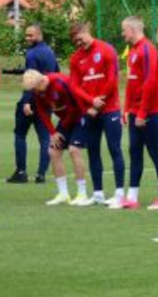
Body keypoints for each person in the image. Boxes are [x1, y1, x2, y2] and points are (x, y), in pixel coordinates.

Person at [113, 16, 158, 210]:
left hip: (150, 112)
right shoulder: (133, 51)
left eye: (124, 30)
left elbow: (151, 83)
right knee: (135, 151)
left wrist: (142, 112)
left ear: (132, 29)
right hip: (135, 111)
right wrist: (127, 109)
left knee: (155, 151)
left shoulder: (148, 50)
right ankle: (132, 197)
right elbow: (131, 84)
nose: (122, 33)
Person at [21, 70, 100, 206]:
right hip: (66, 120)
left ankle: (82, 194)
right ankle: (63, 194)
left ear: (41, 81)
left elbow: (75, 108)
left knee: (74, 150)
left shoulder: (60, 83)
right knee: (53, 151)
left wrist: (61, 127)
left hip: (80, 115)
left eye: (35, 88)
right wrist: (53, 133)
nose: (34, 91)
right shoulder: (38, 91)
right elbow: (42, 112)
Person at [68, 22, 124, 207]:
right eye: (75, 41)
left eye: (80, 39)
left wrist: (99, 102)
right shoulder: (76, 58)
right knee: (93, 150)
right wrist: (91, 101)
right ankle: (98, 194)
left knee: (114, 149)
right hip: (90, 111)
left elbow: (112, 79)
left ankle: (119, 194)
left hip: (110, 108)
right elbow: (74, 85)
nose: (79, 43)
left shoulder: (107, 50)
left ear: (87, 31)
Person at [5, 25, 58, 184]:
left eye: (31, 35)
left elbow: (30, 79)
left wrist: (27, 101)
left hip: (32, 100)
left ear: (39, 35)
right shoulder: (50, 52)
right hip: (45, 100)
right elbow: (56, 73)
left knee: (20, 134)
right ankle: (41, 174)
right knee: (44, 137)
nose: (27, 38)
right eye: (26, 35)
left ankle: (21, 172)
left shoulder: (31, 53)